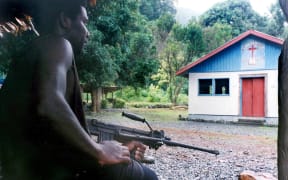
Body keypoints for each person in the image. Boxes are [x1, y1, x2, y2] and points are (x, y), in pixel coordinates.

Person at [0, 0, 158, 179]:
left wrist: (117, 149)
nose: (88, 33)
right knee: (148, 176)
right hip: (48, 172)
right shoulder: (58, 44)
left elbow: (47, 136)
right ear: (64, 20)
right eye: (84, 22)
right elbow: (50, 104)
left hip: (22, 171)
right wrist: (98, 150)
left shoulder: (26, 55)